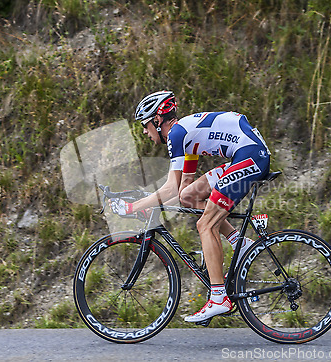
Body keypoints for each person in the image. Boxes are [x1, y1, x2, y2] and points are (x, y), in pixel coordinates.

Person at [109, 91, 271, 322]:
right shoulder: (187, 137)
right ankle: (240, 243)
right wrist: (149, 204)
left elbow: (169, 189)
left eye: (145, 125)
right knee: (190, 196)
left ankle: (218, 298)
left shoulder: (177, 134)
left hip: (250, 156)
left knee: (205, 225)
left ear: (158, 119)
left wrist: (131, 207)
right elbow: (182, 190)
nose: (145, 132)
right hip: (248, 153)